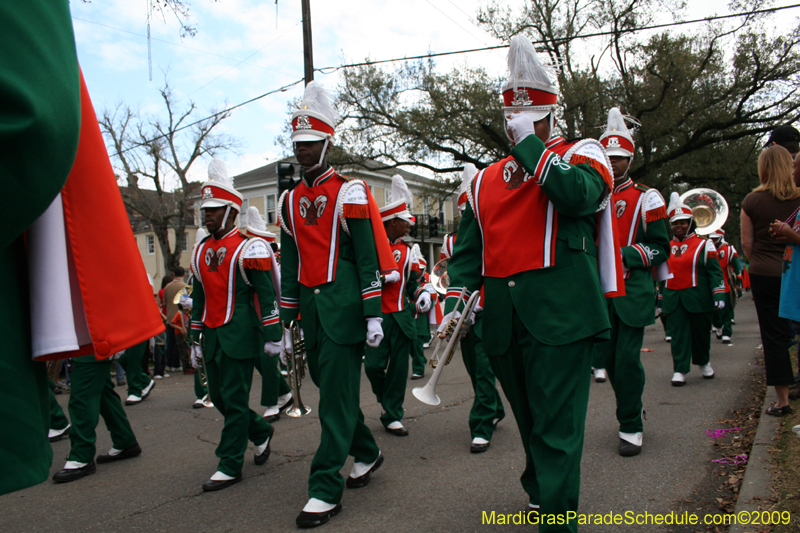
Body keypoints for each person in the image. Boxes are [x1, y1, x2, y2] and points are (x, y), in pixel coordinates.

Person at [441, 35, 624, 533]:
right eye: (513, 121)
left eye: (532, 119)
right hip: (503, 319)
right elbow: (468, 253)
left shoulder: (583, 153)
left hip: (562, 314)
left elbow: (579, 197)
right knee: (530, 424)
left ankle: (556, 518)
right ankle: (544, 492)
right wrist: (457, 297)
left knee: (557, 430)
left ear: (550, 116)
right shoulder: (483, 180)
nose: (519, 126)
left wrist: (531, 147)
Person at [278, 81, 396, 528]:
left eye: (311, 143)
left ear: (327, 143)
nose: (303, 151)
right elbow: (289, 264)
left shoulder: (351, 193)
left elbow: (367, 258)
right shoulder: (288, 201)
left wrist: (373, 314)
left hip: (346, 310)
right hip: (312, 312)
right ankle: (367, 451)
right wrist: (286, 322)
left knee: (334, 403)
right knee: (335, 395)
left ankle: (324, 488)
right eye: (298, 144)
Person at [190, 159, 282, 491]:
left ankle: (229, 463)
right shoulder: (200, 251)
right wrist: (194, 339)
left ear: (232, 210)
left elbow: (267, 293)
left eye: (214, 209)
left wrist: (274, 335)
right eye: (205, 210)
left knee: (232, 397)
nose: (207, 214)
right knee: (222, 398)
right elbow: (199, 300)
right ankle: (260, 431)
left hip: (242, 335)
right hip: (213, 336)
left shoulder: (250, 247)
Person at [590, 107, 670, 457]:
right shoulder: (592, 196)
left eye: (619, 158)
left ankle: (630, 424)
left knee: (625, 360)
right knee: (607, 359)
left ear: (630, 159)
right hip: (600, 292)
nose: (614, 163)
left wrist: (626, 254)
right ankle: (631, 410)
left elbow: (661, 246)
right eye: (608, 158)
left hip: (632, 290)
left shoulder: (647, 196)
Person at [365, 175, 429, 437]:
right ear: (392, 222)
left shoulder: (408, 249)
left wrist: (423, 291)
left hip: (401, 317)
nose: (409, 225)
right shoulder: (369, 246)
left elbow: (412, 283)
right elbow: (361, 278)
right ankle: (386, 400)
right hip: (377, 317)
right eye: (405, 221)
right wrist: (380, 278)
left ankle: (393, 413)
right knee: (372, 366)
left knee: (400, 367)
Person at [741, 145, 800, 415]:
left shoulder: (752, 201)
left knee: (773, 336)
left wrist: (761, 261)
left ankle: (782, 400)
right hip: (796, 271)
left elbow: (747, 245)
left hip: (765, 273)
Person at [660, 193, 725, 386]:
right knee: (678, 336)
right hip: (674, 298)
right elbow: (662, 277)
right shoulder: (666, 247)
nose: (678, 226)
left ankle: (703, 362)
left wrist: (719, 293)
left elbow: (715, 272)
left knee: (701, 334)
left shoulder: (705, 244)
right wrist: (661, 299)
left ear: (690, 223)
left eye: (682, 222)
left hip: (699, 297)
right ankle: (680, 369)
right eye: (674, 223)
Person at [51, 352, 143, 483]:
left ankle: (82, 455)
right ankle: (124, 439)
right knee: (103, 390)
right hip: (94, 339)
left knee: (83, 393)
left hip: (91, 340)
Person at [244, 206, 293, 421]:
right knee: (257, 358)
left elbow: (277, 287)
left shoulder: (277, 257)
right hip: (250, 314)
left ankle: (272, 402)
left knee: (267, 360)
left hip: (270, 311)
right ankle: (285, 394)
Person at [709, 229, 742, 344]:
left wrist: (738, 284)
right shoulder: (705, 248)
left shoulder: (729, 250)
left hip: (725, 284)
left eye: (715, 239)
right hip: (711, 284)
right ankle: (717, 325)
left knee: (727, 310)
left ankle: (727, 333)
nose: (713, 241)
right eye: (711, 239)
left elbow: (737, 269)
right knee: (713, 311)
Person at [163, 267, 188, 372]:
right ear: (184, 275)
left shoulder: (167, 287)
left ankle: (169, 364)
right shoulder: (184, 286)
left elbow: (164, 303)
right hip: (180, 318)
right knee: (180, 344)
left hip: (169, 317)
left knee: (170, 342)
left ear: (173, 275)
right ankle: (176, 363)